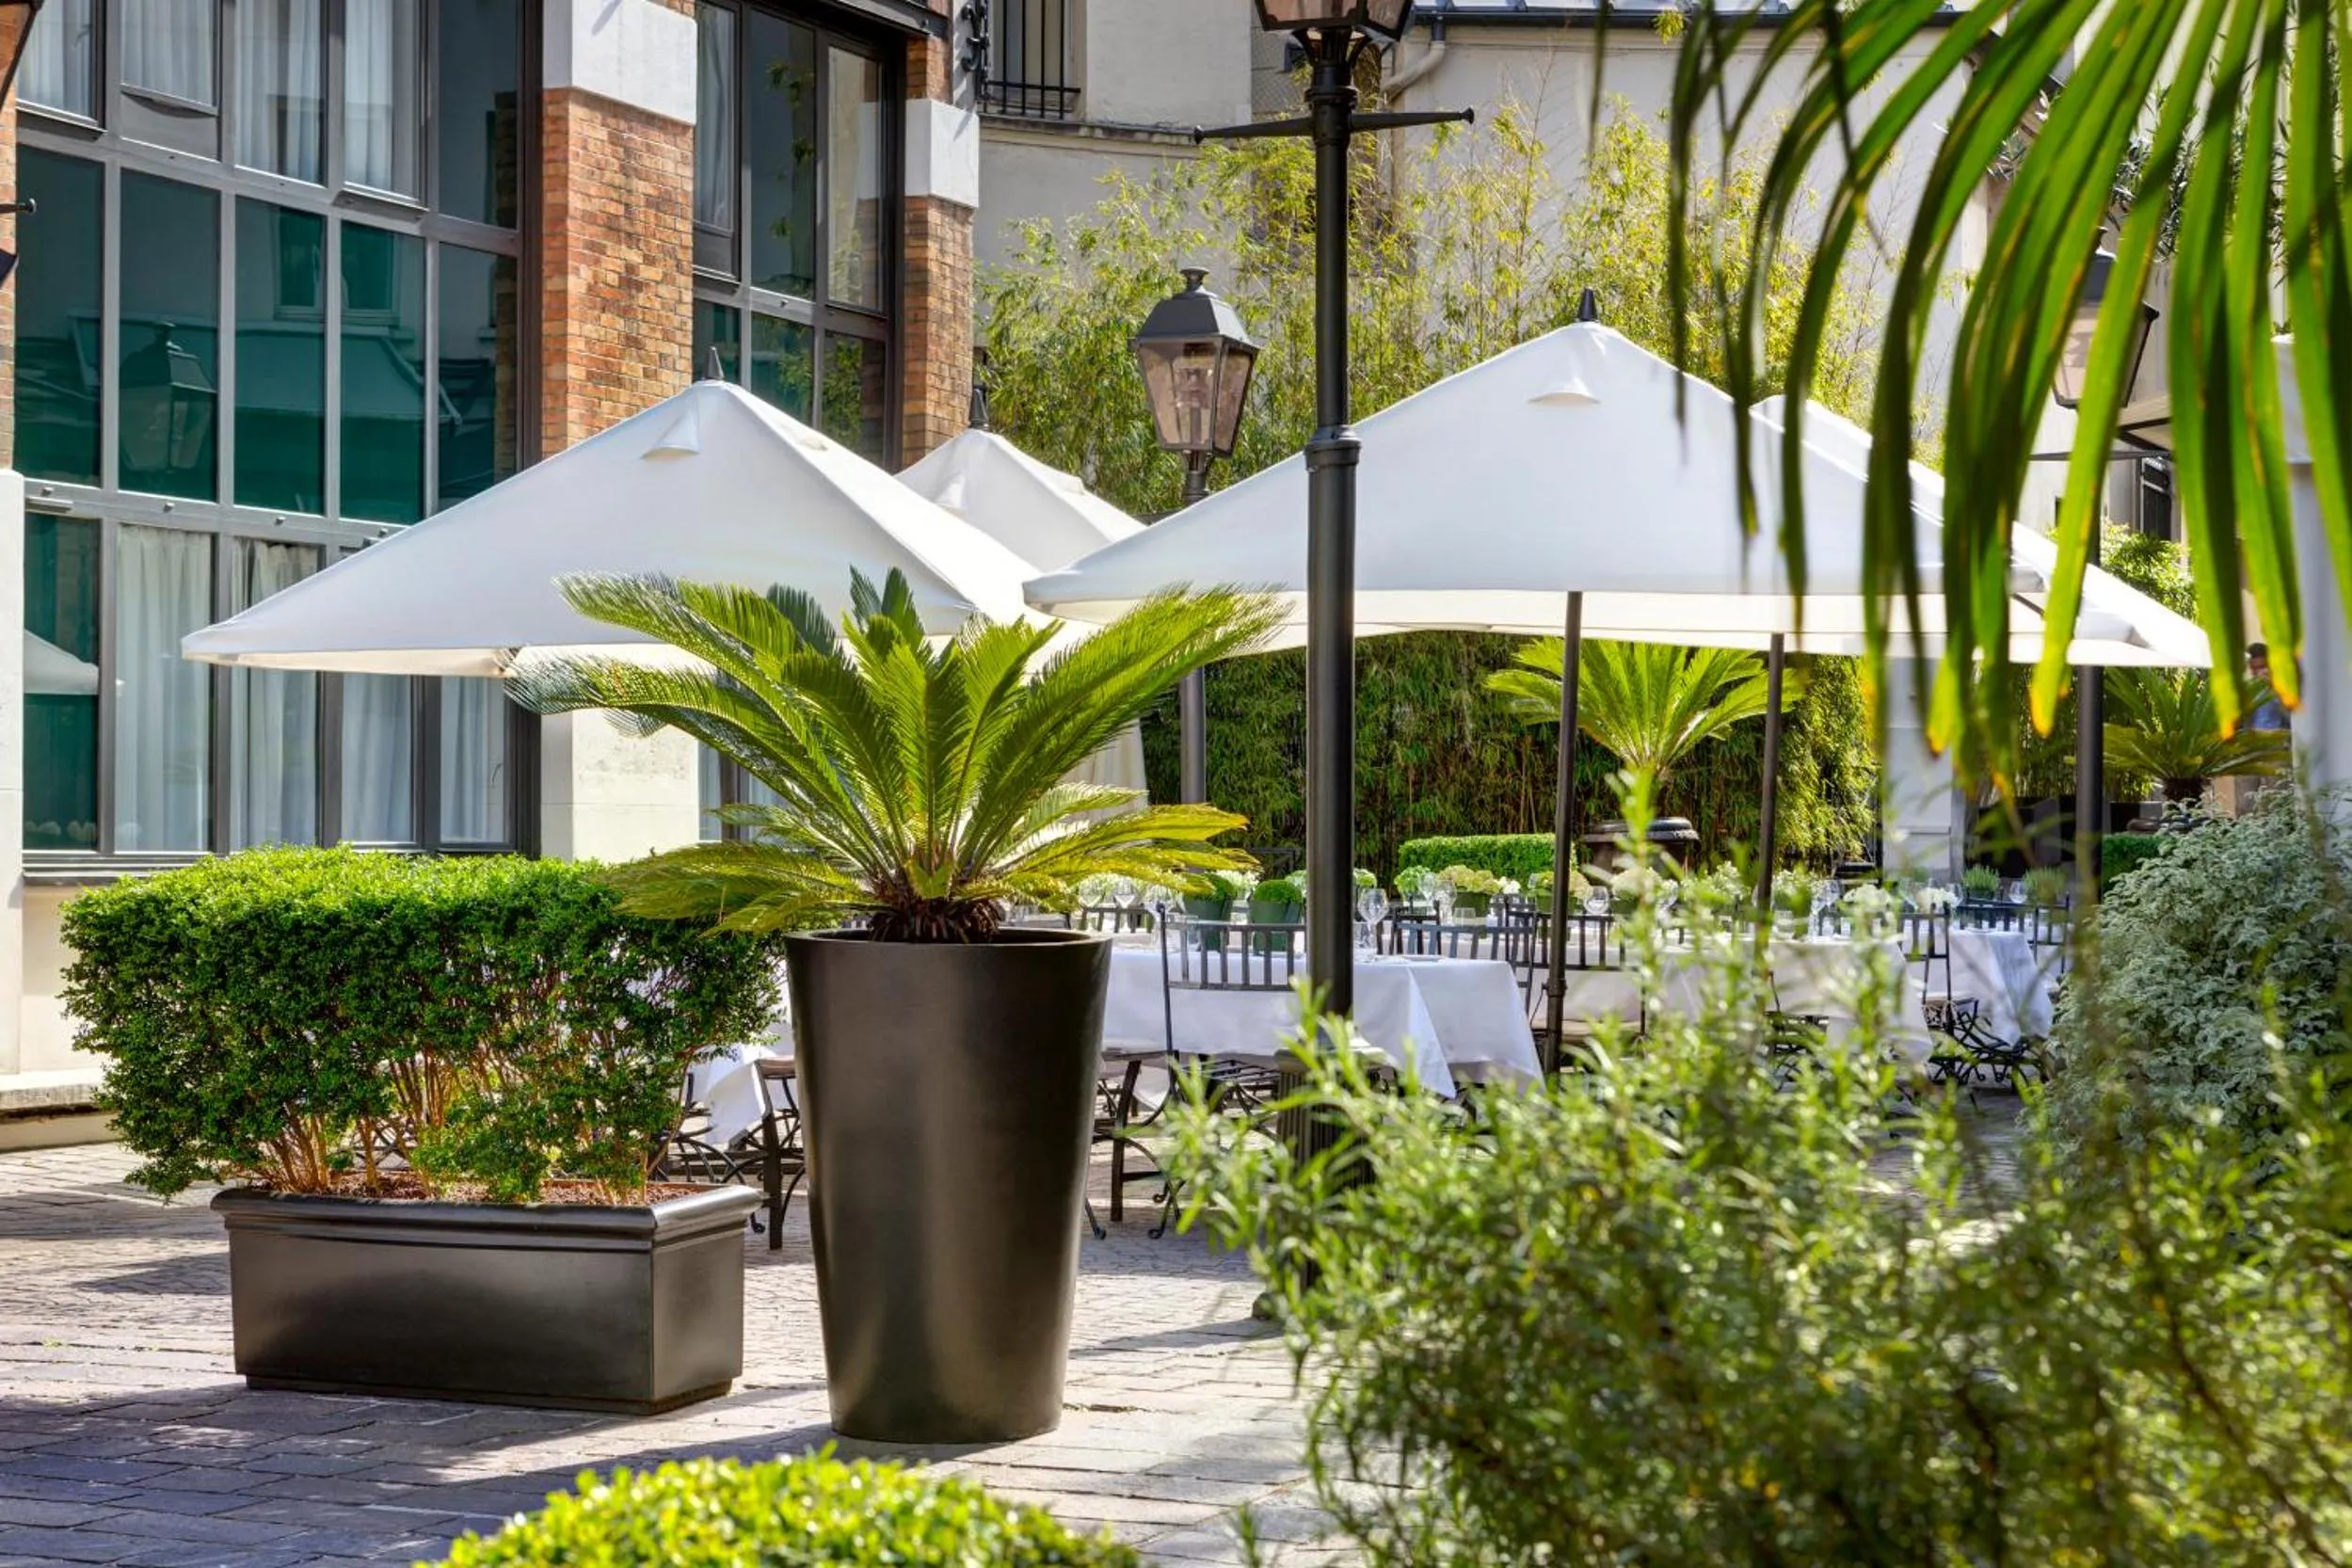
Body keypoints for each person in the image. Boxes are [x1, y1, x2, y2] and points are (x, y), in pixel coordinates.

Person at [2247, 644, 2291, 732]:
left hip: (2278, 743)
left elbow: (2293, 719)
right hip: (2252, 743)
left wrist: (2274, 689)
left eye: (2262, 667)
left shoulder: (2284, 687)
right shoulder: (2249, 689)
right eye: (2254, 668)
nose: (2259, 672)